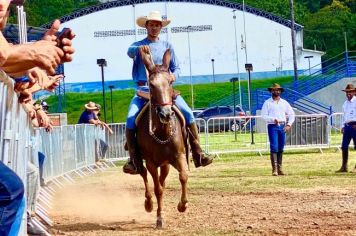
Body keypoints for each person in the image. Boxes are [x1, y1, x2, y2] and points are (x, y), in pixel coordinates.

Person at [123, 10, 214, 175]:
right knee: (130, 119)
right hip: (144, 91)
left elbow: (177, 68)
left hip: (165, 92)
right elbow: (129, 52)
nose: (154, 27)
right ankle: (134, 161)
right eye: (151, 25)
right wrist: (138, 48)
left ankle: (198, 153)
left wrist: (173, 75)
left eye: (157, 25)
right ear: (147, 26)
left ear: (160, 27)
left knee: (188, 114)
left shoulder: (167, 46)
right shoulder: (138, 45)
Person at [261, 83, 295, 176]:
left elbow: (292, 114)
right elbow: (263, 116)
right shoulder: (267, 103)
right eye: (275, 90)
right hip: (273, 126)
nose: (277, 91)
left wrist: (289, 124)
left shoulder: (284, 102)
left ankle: (280, 168)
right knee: (274, 146)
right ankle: (274, 169)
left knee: (281, 147)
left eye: (278, 90)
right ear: (271, 91)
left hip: (282, 126)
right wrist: (272, 119)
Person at [336, 84, 356, 173]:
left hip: (355, 126)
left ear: (354, 92)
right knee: (344, 146)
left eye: (350, 92)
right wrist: (342, 126)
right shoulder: (345, 104)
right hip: (347, 127)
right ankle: (344, 166)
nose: (348, 94)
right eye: (347, 92)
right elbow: (344, 116)